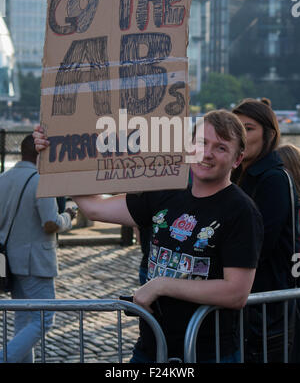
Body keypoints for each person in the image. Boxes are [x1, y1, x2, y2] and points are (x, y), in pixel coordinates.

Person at [33, 110, 264, 363]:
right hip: (152, 347)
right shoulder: (166, 193)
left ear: (237, 159)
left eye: (220, 147)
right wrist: (53, 158)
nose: (207, 153)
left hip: (210, 352)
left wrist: (161, 284)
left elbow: (236, 293)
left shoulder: (241, 211)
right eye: (201, 143)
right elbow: (94, 208)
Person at [232, 98, 300, 362]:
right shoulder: (241, 175)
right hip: (247, 305)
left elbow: (259, 245)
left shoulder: (273, 179)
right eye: (235, 128)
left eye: (248, 129)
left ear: (269, 135)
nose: (239, 135)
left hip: (266, 310)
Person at [0, 135, 76, 363]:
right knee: (44, 318)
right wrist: (68, 216)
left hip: (10, 261)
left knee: (24, 320)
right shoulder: (41, 181)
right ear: (42, 154)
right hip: (35, 261)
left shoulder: (3, 178)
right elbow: (50, 223)